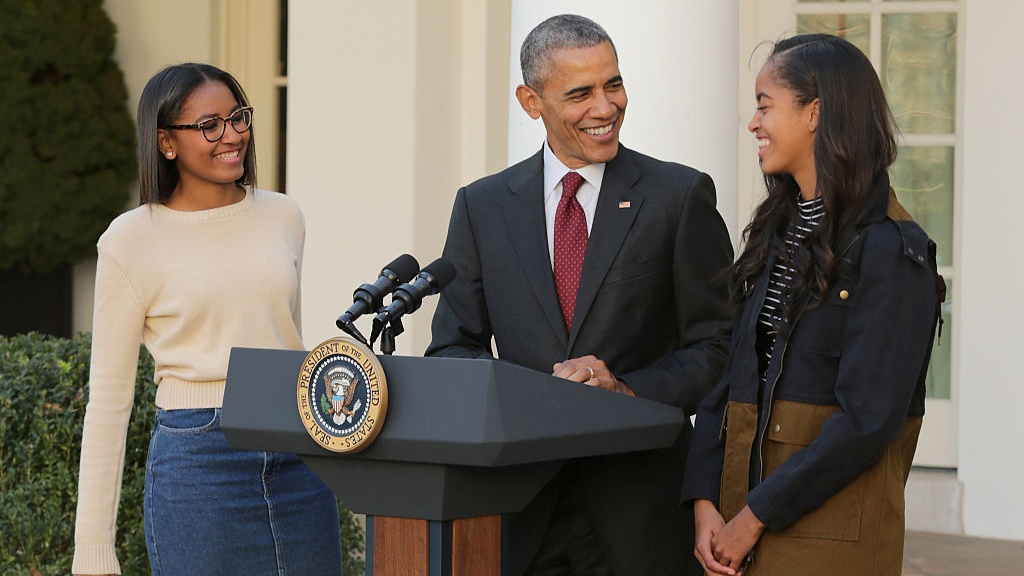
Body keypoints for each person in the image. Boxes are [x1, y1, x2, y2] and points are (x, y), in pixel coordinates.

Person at [426, 14, 734, 576]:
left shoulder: (679, 195)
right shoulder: (482, 206)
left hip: (641, 513)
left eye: (612, 84)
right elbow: (452, 350)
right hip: (520, 511)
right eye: (580, 93)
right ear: (530, 100)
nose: (606, 106)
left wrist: (627, 389)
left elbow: (719, 350)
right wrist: (529, 399)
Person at [681, 34, 943, 576]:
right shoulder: (777, 234)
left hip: (827, 546)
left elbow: (867, 420)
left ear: (815, 113)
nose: (753, 123)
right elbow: (731, 379)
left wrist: (753, 516)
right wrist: (706, 500)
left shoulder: (893, 251)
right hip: (740, 534)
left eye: (764, 105)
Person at [72, 63, 343, 576]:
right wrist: (93, 551)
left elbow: (286, 340)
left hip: (299, 452)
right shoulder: (131, 240)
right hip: (198, 462)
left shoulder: (283, 215)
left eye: (238, 118)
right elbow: (108, 401)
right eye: (209, 125)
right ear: (166, 142)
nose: (232, 136)